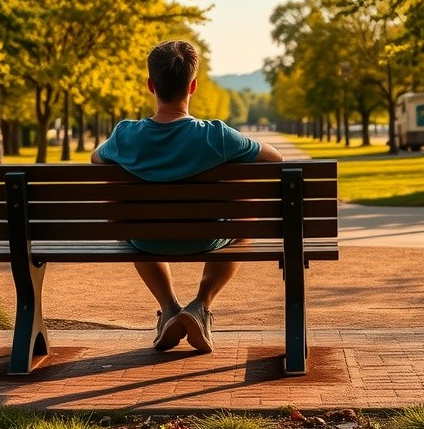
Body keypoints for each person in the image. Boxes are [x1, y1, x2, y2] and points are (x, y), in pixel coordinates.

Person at [90, 39, 283, 354]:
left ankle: (168, 307)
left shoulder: (125, 135)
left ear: (151, 85)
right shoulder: (215, 135)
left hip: (145, 239)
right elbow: (274, 158)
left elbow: (97, 159)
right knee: (244, 228)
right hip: (206, 239)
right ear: (193, 86)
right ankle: (200, 305)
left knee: (125, 229)